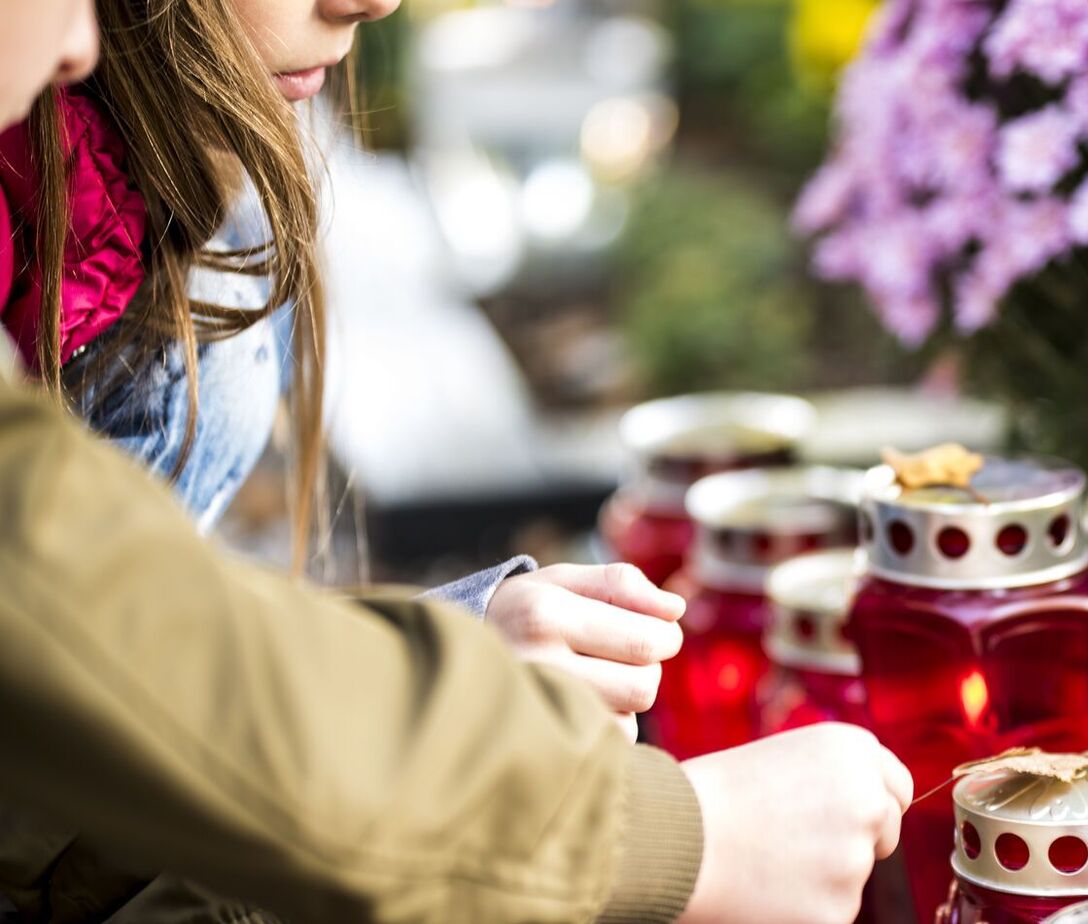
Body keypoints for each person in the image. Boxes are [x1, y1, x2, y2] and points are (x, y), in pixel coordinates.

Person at [0, 2, 913, 922]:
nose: (374, 1)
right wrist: (670, 843)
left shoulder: (152, 182)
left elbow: (98, 715)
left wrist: (433, 669)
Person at [1, 0, 674, 736]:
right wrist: (435, 673)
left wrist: (448, 644)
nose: (374, 3)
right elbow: (75, 737)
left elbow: (137, 645)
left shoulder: (186, 144)